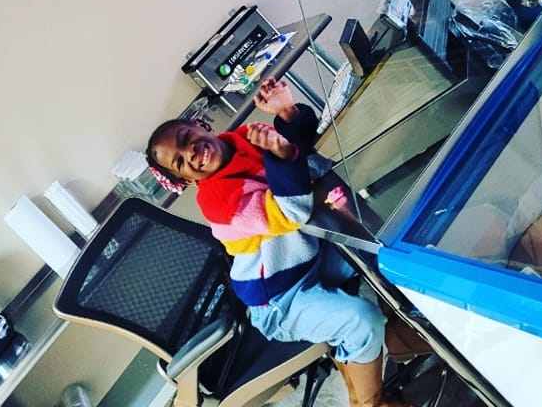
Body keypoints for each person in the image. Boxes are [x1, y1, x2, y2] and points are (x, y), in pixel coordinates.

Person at [146, 76, 427, 407]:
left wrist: (287, 112)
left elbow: (303, 155)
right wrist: (281, 155)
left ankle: (399, 336)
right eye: (180, 162)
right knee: (360, 320)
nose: (190, 152)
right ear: (188, 180)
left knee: (379, 243)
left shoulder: (243, 139)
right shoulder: (217, 203)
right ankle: (370, 402)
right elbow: (291, 212)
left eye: (185, 138)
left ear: (199, 125)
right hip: (279, 299)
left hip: (307, 258)